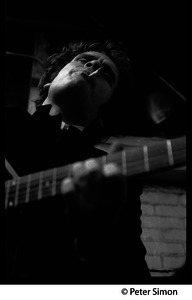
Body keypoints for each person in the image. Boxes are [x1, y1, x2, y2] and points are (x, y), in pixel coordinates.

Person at [5, 40, 151, 283]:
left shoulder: (113, 177)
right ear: (52, 78)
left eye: (106, 74)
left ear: (105, 110)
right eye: (84, 60)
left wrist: (95, 236)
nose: (93, 66)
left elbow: (134, 283)